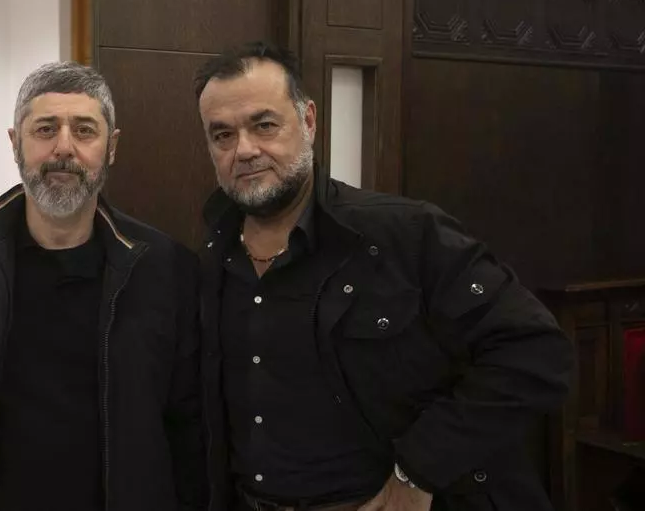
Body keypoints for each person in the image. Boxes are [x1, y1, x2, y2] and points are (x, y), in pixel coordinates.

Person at [193, 42, 572, 511]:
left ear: (308, 121)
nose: (245, 150)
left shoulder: (406, 234)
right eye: (222, 135)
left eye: (264, 125)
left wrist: (419, 470)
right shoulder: (207, 259)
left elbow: (535, 351)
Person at [0, 62, 207, 511]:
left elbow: (188, 425)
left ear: (112, 147)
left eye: (85, 130)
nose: (64, 148)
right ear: (15, 143)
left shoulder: (165, 270)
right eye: (45, 129)